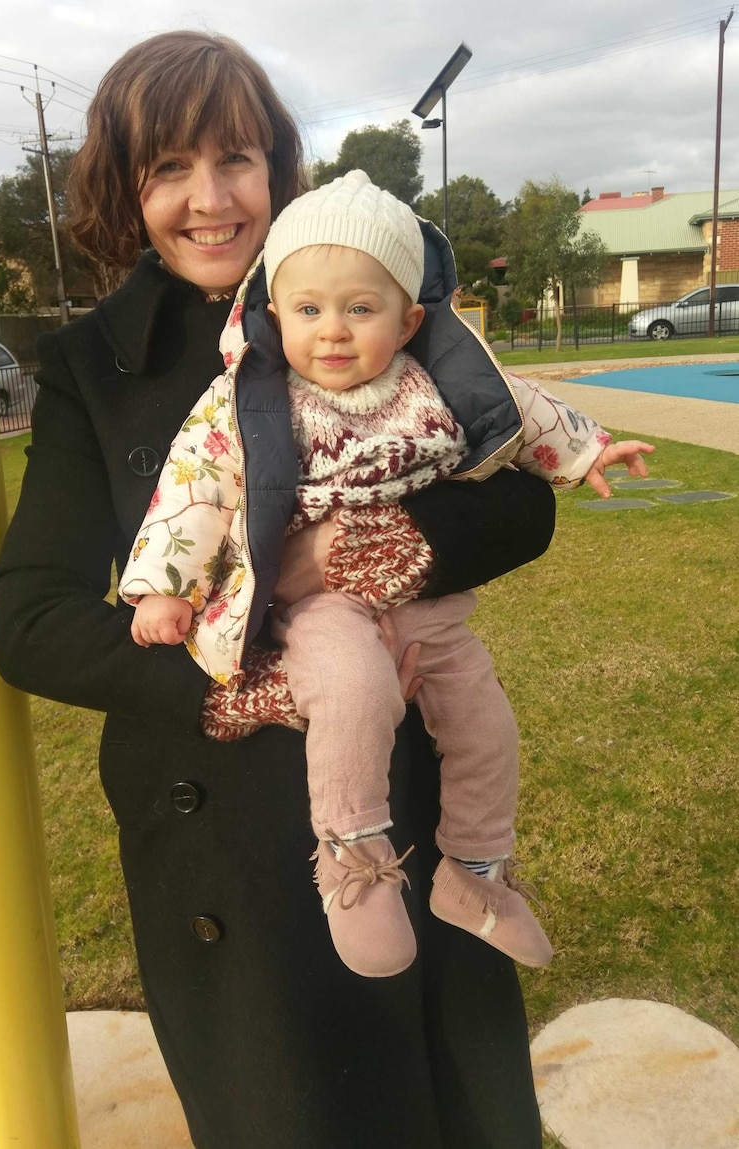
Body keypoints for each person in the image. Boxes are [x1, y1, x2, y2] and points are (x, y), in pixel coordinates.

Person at [0, 30, 564, 1149]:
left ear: (278, 168)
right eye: (168, 170)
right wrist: (232, 673)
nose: (210, 200)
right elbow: (32, 620)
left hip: (403, 787)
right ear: (126, 187)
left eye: (236, 159)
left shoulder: (368, 300)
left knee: (463, 1111)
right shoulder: (89, 369)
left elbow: (519, 503)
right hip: (223, 835)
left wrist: (358, 555)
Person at [118, 170, 653, 980]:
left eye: (359, 309)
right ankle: (353, 860)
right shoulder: (248, 401)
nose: (332, 332)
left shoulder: (431, 386)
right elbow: (196, 487)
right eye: (308, 310)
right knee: (354, 691)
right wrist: (162, 586)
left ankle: (474, 873)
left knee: (485, 724)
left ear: (407, 321)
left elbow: (521, 408)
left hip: (425, 603)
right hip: (320, 606)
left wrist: (585, 450)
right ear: (273, 317)